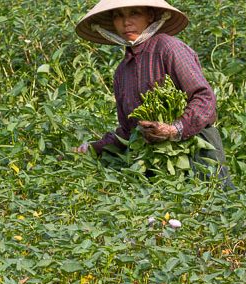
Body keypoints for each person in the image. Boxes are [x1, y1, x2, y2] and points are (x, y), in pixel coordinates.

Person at [72, 0, 233, 187]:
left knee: (210, 198)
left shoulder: (168, 48)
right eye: (118, 16)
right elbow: (128, 131)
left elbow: (204, 98)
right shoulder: (122, 72)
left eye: (134, 13)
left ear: (150, 16)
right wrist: (92, 148)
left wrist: (174, 129)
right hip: (152, 161)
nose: (126, 22)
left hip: (197, 152)